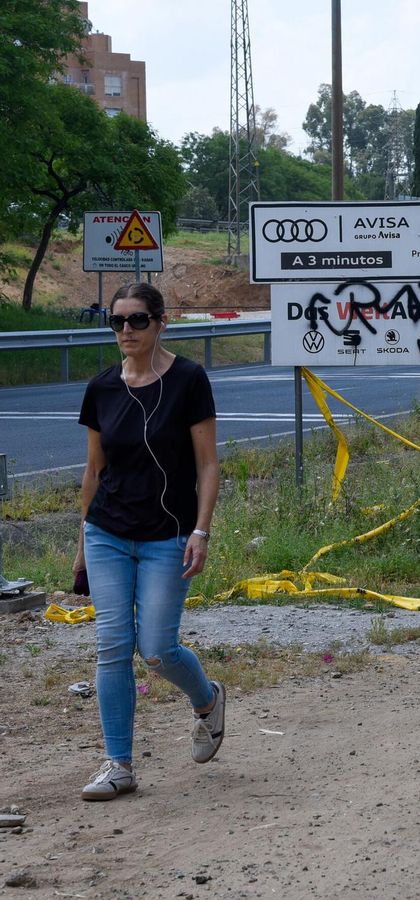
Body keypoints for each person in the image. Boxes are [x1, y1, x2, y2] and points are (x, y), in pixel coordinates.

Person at [73, 282, 226, 802]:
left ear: (161, 321)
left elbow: (207, 464)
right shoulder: (101, 389)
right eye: (116, 322)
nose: (126, 331)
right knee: (112, 647)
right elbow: (94, 472)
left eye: (137, 320)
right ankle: (118, 764)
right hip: (107, 533)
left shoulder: (189, 380)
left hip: (169, 536)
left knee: (157, 649)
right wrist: (81, 546)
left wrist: (201, 530)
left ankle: (207, 702)